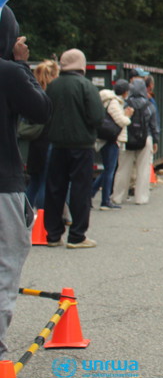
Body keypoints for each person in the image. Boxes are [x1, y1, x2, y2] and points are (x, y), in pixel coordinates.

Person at [0, 5, 51, 368]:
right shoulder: (8, 72)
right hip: (2, 183)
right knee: (5, 266)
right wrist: (19, 64)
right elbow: (41, 110)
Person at [43, 48, 104, 248]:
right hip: (81, 145)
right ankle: (77, 235)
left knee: (55, 189)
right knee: (80, 189)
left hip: (57, 144)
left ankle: (53, 235)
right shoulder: (86, 86)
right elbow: (97, 117)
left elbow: (45, 113)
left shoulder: (53, 86)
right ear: (81, 65)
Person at [111, 77, 159, 206]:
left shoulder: (125, 104)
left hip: (127, 138)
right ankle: (141, 198)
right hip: (145, 138)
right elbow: (154, 125)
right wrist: (155, 140)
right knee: (143, 169)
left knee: (123, 169)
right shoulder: (149, 105)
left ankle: (118, 196)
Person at [23, 59, 59, 209]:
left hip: (35, 144)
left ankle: (24, 213)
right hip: (48, 142)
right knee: (46, 182)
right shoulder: (52, 95)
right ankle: (43, 217)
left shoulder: (33, 93)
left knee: (34, 182)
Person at [92, 78, 132, 210]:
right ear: (125, 92)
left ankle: (91, 193)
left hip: (106, 138)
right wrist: (128, 116)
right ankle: (104, 200)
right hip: (111, 139)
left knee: (108, 169)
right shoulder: (114, 102)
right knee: (110, 170)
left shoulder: (108, 100)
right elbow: (121, 121)